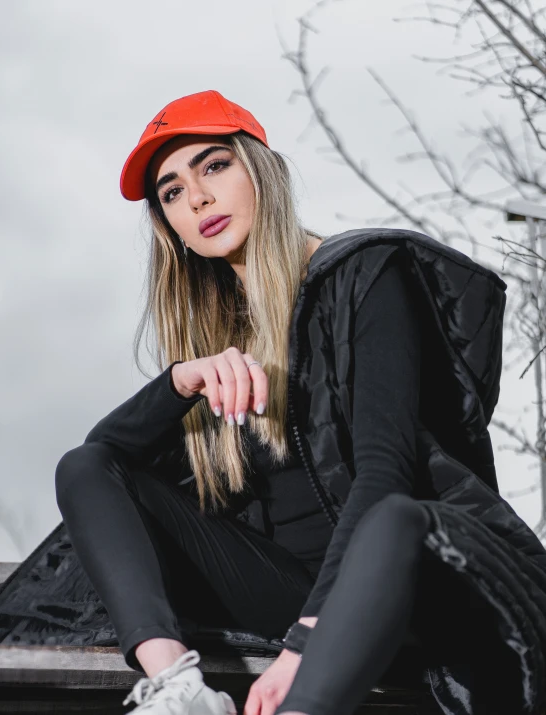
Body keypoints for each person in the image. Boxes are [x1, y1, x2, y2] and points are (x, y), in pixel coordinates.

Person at [53, 90, 502, 715]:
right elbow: (100, 464)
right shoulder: (219, 342)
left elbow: (385, 473)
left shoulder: (365, 274)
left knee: (392, 516)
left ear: (262, 170)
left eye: (213, 166)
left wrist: (305, 644)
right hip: (280, 589)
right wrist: (180, 379)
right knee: (81, 462)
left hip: (395, 593)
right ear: (169, 226)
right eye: (172, 192)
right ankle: (177, 690)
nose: (198, 198)